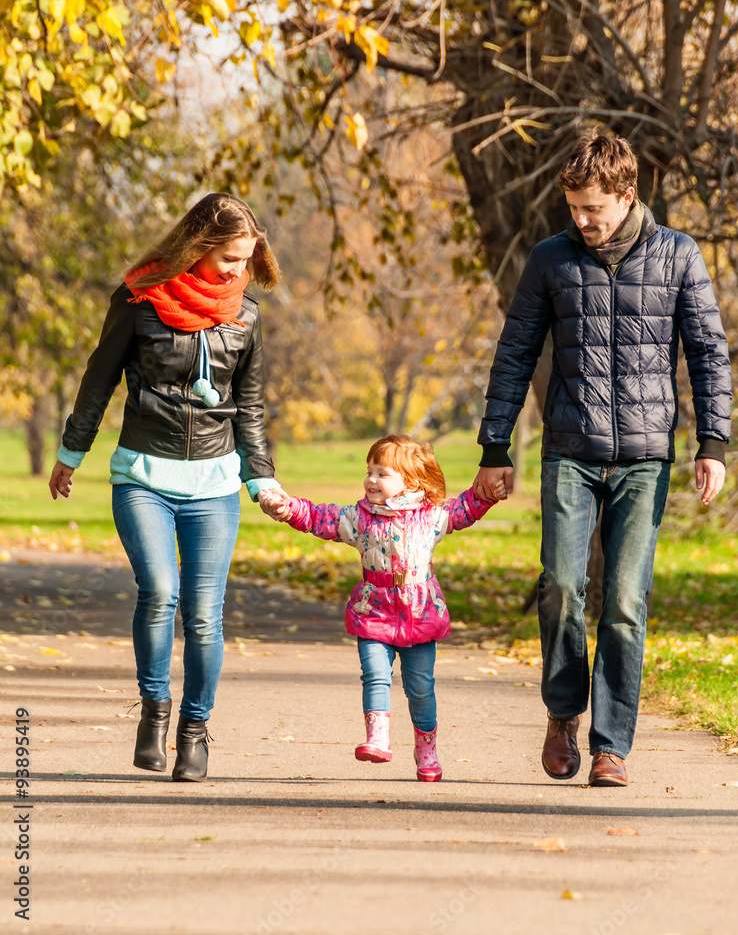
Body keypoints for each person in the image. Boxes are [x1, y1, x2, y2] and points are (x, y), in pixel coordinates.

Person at [473, 131, 731, 787]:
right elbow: (515, 354)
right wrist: (495, 446)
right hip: (571, 450)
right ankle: (563, 713)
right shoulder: (550, 259)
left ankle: (612, 744)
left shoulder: (678, 255)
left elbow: (707, 350)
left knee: (624, 598)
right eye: (573, 209)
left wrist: (713, 443)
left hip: (646, 458)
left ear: (626, 195)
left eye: (593, 208)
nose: (582, 221)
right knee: (561, 585)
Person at [48, 193, 281, 783]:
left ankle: (194, 731)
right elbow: (98, 379)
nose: (237, 271)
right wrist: (71, 453)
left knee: (205, 614)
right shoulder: (138, 301)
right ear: (199, 248)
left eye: (245, 260)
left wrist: (262, 478)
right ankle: (154, 711)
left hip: (213, 483)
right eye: (229, 258)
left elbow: (249, 407)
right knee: (159, 591)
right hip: (143, 478)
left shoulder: (246, 316)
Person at [264, 435, 502, 782]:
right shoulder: (359, 518)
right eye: (369, 472)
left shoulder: (432, 516)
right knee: (375, 675)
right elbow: (319, 517)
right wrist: (289, 509)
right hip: (373, 612)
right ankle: (378, 738)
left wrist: (488, 493)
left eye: (382, 474)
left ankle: (426, 747)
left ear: (412, 481)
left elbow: (466, 508)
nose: (371, 481)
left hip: (420, 615)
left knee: (420, 688)